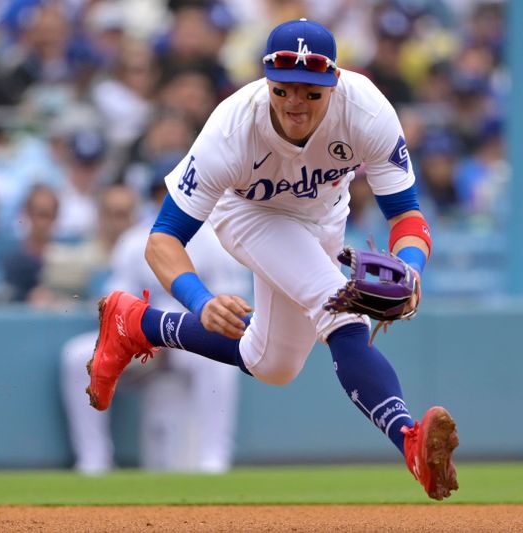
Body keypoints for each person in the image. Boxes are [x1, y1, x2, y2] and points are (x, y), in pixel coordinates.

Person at [85, 19, 459, 500]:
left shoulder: (367, 111)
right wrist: (198, 300)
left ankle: (138, 323)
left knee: (273, 364)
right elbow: (162, 239)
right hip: (249, 214)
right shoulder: (232, 127)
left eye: (311, 91)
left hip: (324, 217)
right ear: (266, 80)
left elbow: (407, 215)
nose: (295, 103)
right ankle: (407, 439)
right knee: (340, 313)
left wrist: (411, 269)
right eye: (284, 89)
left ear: (335, 81)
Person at [61, 170, 248, 475]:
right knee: (76, 357)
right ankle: (93, 461)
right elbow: (117, 305)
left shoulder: (213, 240)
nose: (169, 200)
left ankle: (214, 459)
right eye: (162, 195)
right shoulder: (136, 240)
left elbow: (235, 301)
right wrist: (148, 336)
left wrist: (186, 331)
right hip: (144, 341)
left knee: (220, 361)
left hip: (195, 340)